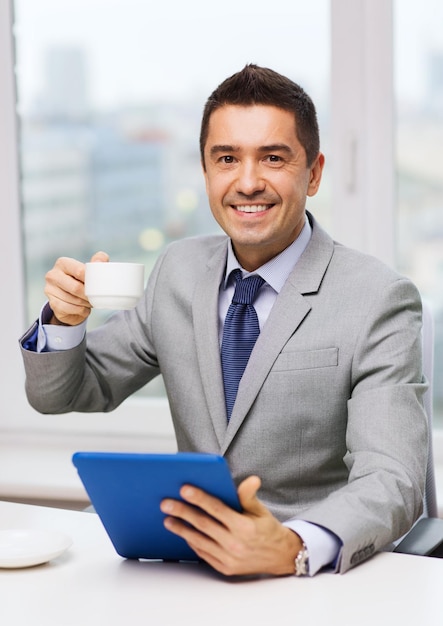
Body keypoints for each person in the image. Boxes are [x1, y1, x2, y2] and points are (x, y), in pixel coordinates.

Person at [20, 64, 428, 578]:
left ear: (315, 172)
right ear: (207, 171)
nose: (248, 182)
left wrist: (292, 546)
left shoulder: (378, 297)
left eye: (273, 158)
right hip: (188, 569)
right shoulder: (178, 271)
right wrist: (64, 321)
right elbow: (66, 393)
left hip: (308, 579)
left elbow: (393, 478)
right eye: (227, 159)